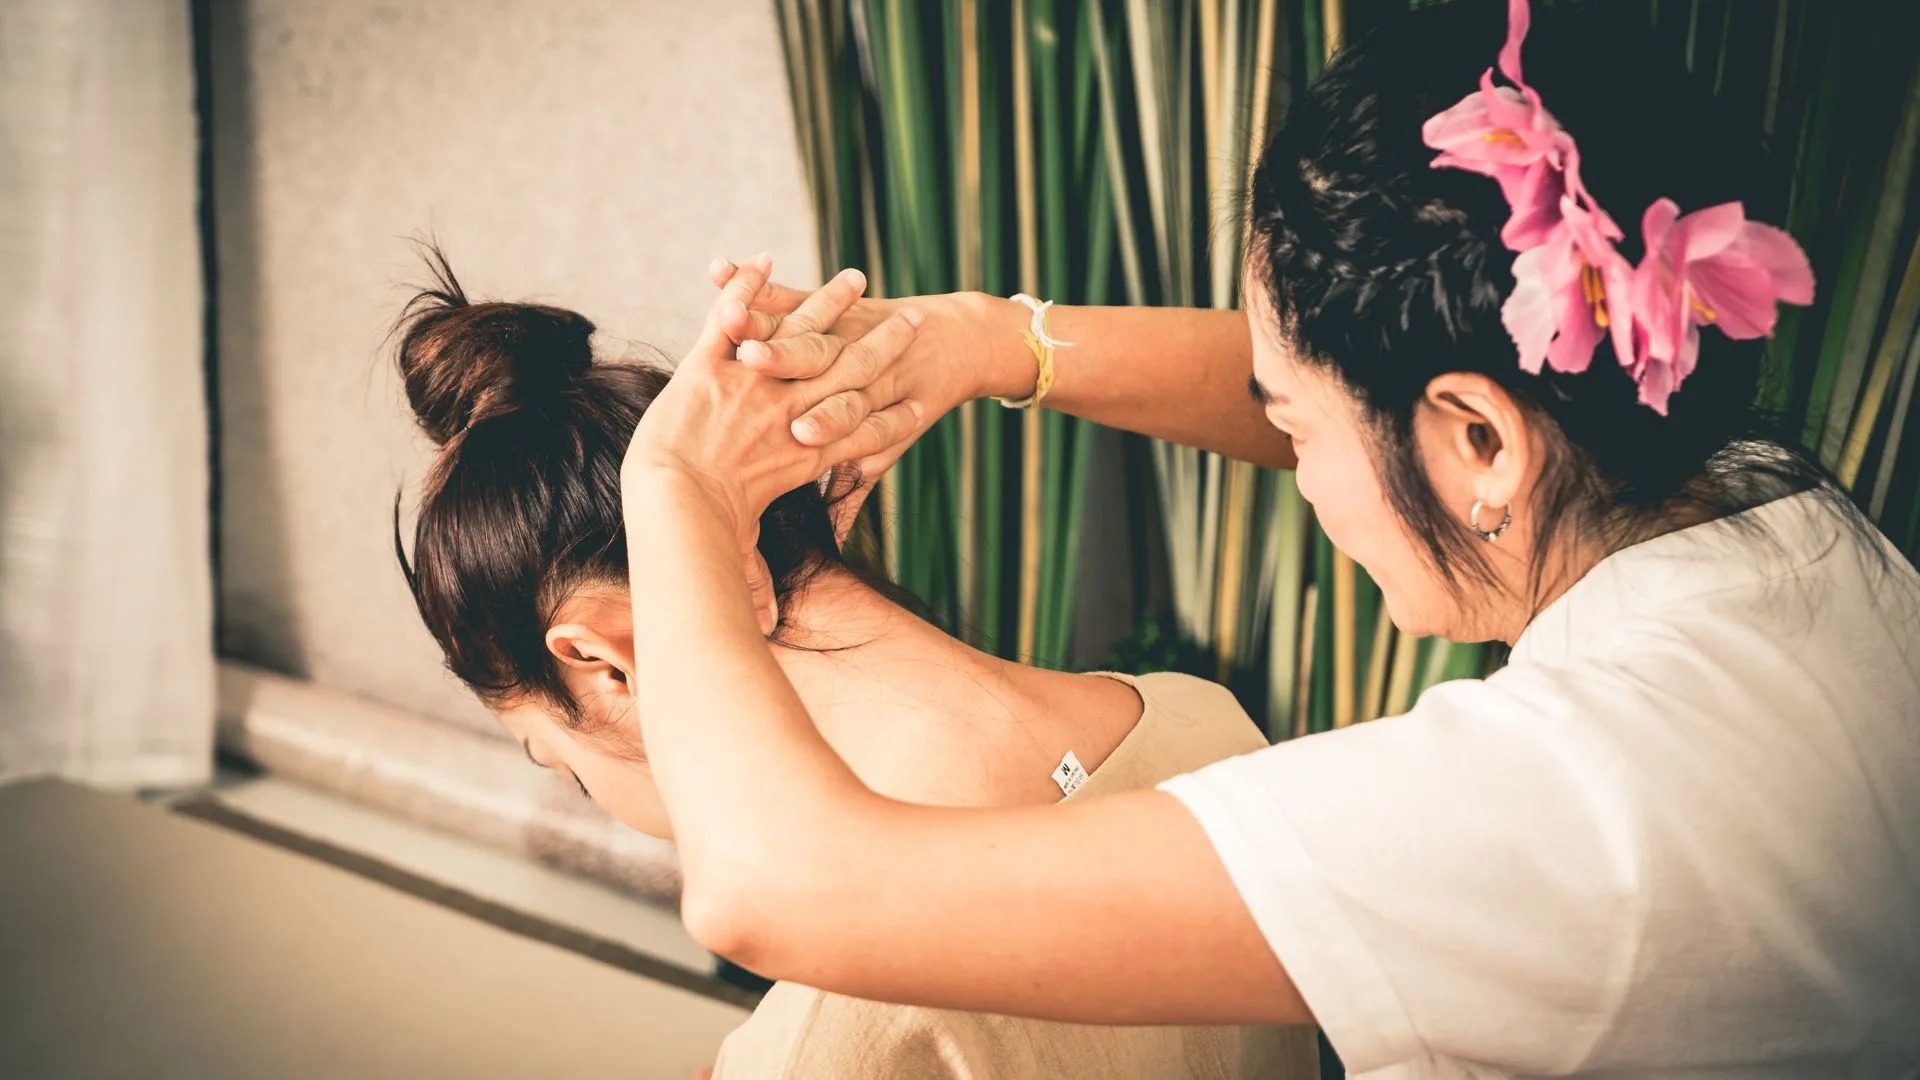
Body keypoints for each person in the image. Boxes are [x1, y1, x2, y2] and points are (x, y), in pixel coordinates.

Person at [611, 2, 1920, 1077]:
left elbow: (774, 892)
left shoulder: (1550, 814)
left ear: (1479, 439)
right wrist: (992, 341)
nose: (1287, 465)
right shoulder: (1758, 504)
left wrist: (670, 481)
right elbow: (1377, 392)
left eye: (1293, 430)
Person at [386, 248, 1314, 1079]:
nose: (590, 794)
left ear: (603, 661)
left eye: (571, 773)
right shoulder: (1206, 720)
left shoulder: (841, 1037)